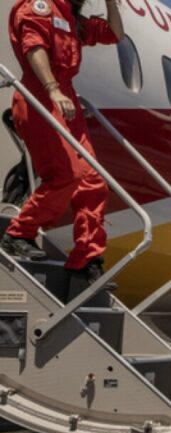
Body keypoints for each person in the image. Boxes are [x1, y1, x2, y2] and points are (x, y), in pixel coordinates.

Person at [2, 0, 123, 284]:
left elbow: (115, 34)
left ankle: (86, 257)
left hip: (67, 103)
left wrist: (112, 4)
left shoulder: (72, 18)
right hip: (40, 97)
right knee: (67, 175)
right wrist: (53, 90)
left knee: (93, 181)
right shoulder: (38, 7)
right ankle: (19, 233)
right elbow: (34, 47)